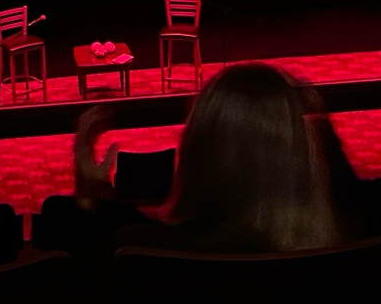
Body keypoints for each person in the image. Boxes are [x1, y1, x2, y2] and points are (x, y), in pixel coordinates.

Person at [126, 61, 350, 252]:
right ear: (305, 154)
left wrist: (92, 201)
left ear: (197, 150)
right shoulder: (356, 240)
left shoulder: (148, 249)